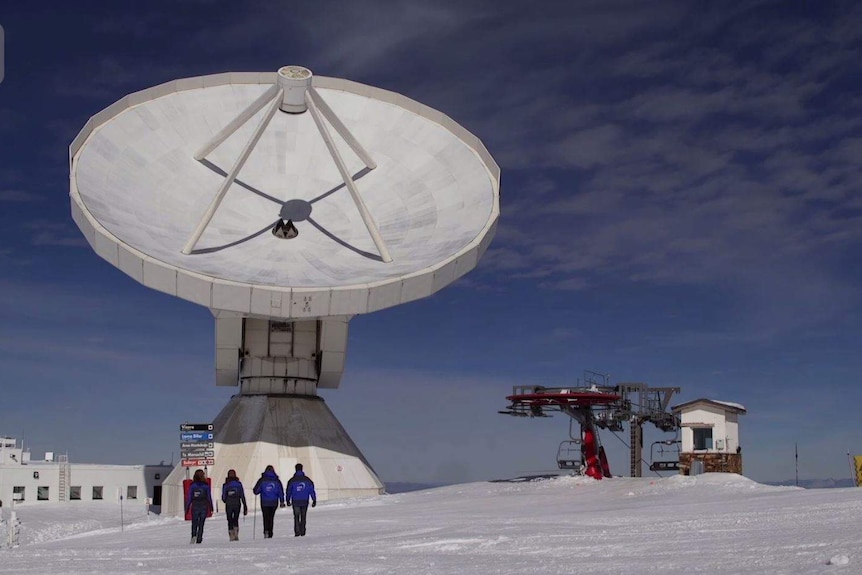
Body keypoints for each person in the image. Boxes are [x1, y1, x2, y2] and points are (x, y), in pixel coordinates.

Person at [252, 464, 285, 538]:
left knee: (265, 517)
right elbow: (280, 491)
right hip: (274, 502)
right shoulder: (277, 481)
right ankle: (270, 532)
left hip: (264, 502)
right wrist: (282, 501)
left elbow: (256, 491)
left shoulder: (262, 480)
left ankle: (266, 531)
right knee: (271, 517)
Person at [285, 463, 317, 537]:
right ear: (302, 469)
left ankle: (297, 531)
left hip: (295, 501)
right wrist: (314, 499)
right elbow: (311, 490)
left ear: (295, 469)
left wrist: (287, 500)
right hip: (304, 501)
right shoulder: (307, 480)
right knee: (303, 516)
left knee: (296, 516)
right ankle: (303, 531)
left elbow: (288, 491)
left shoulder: (292, 480)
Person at [185, 469, 214, 544]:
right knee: (201, 523)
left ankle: (193, 535)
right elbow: (208, 497)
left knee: (194, 522)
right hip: (204, 506)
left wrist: (187, 507)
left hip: (195, 506)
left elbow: (189, 497)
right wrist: (211, 507)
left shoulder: (192, 486)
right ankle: (199, 538)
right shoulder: (206, 486)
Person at [221, 469, 248, 541]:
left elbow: (224, 495)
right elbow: (242, 495)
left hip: (229, 504)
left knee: (229, 519)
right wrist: (245, 505)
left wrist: (225, 500)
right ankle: (236, 533)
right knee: (236, 518)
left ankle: (231, 535)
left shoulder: (226, 485)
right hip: (237, 503)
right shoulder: (239, 484)